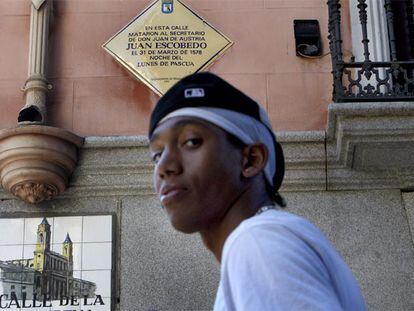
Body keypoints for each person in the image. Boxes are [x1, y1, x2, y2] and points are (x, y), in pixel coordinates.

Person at [148, 72, 366, 310]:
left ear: (251, 160)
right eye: (157, 154)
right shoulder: (258, 245)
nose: (164, 167)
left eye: (191, 141)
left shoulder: (257, 242)